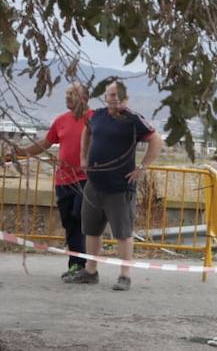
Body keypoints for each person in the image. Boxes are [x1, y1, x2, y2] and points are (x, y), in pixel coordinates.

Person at [67, 79, 161, 292]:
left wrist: (143, 167)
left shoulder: (133, 119)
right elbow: (87, 131)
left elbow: (156, 140)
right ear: (105, 97)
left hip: (120, 186)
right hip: (94, 183)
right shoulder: (97, 116)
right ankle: (90, 271)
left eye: (120, 94)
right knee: (91, 230)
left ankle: (124, 275)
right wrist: (83, 157)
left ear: (126, 98)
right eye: (111, 94)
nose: (115, 97)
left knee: (122, 233)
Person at [18, 83, 92, 282]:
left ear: (84, 97)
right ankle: (75, 265)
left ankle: (83, 266)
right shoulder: (60, 121)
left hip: (86, 180)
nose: (67, 97)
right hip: (63, 180)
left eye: (72, 94)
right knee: (69, 222)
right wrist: (18, 152)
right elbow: (44, 144)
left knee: (79, 219)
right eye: (66, 94)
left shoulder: (95, 119)